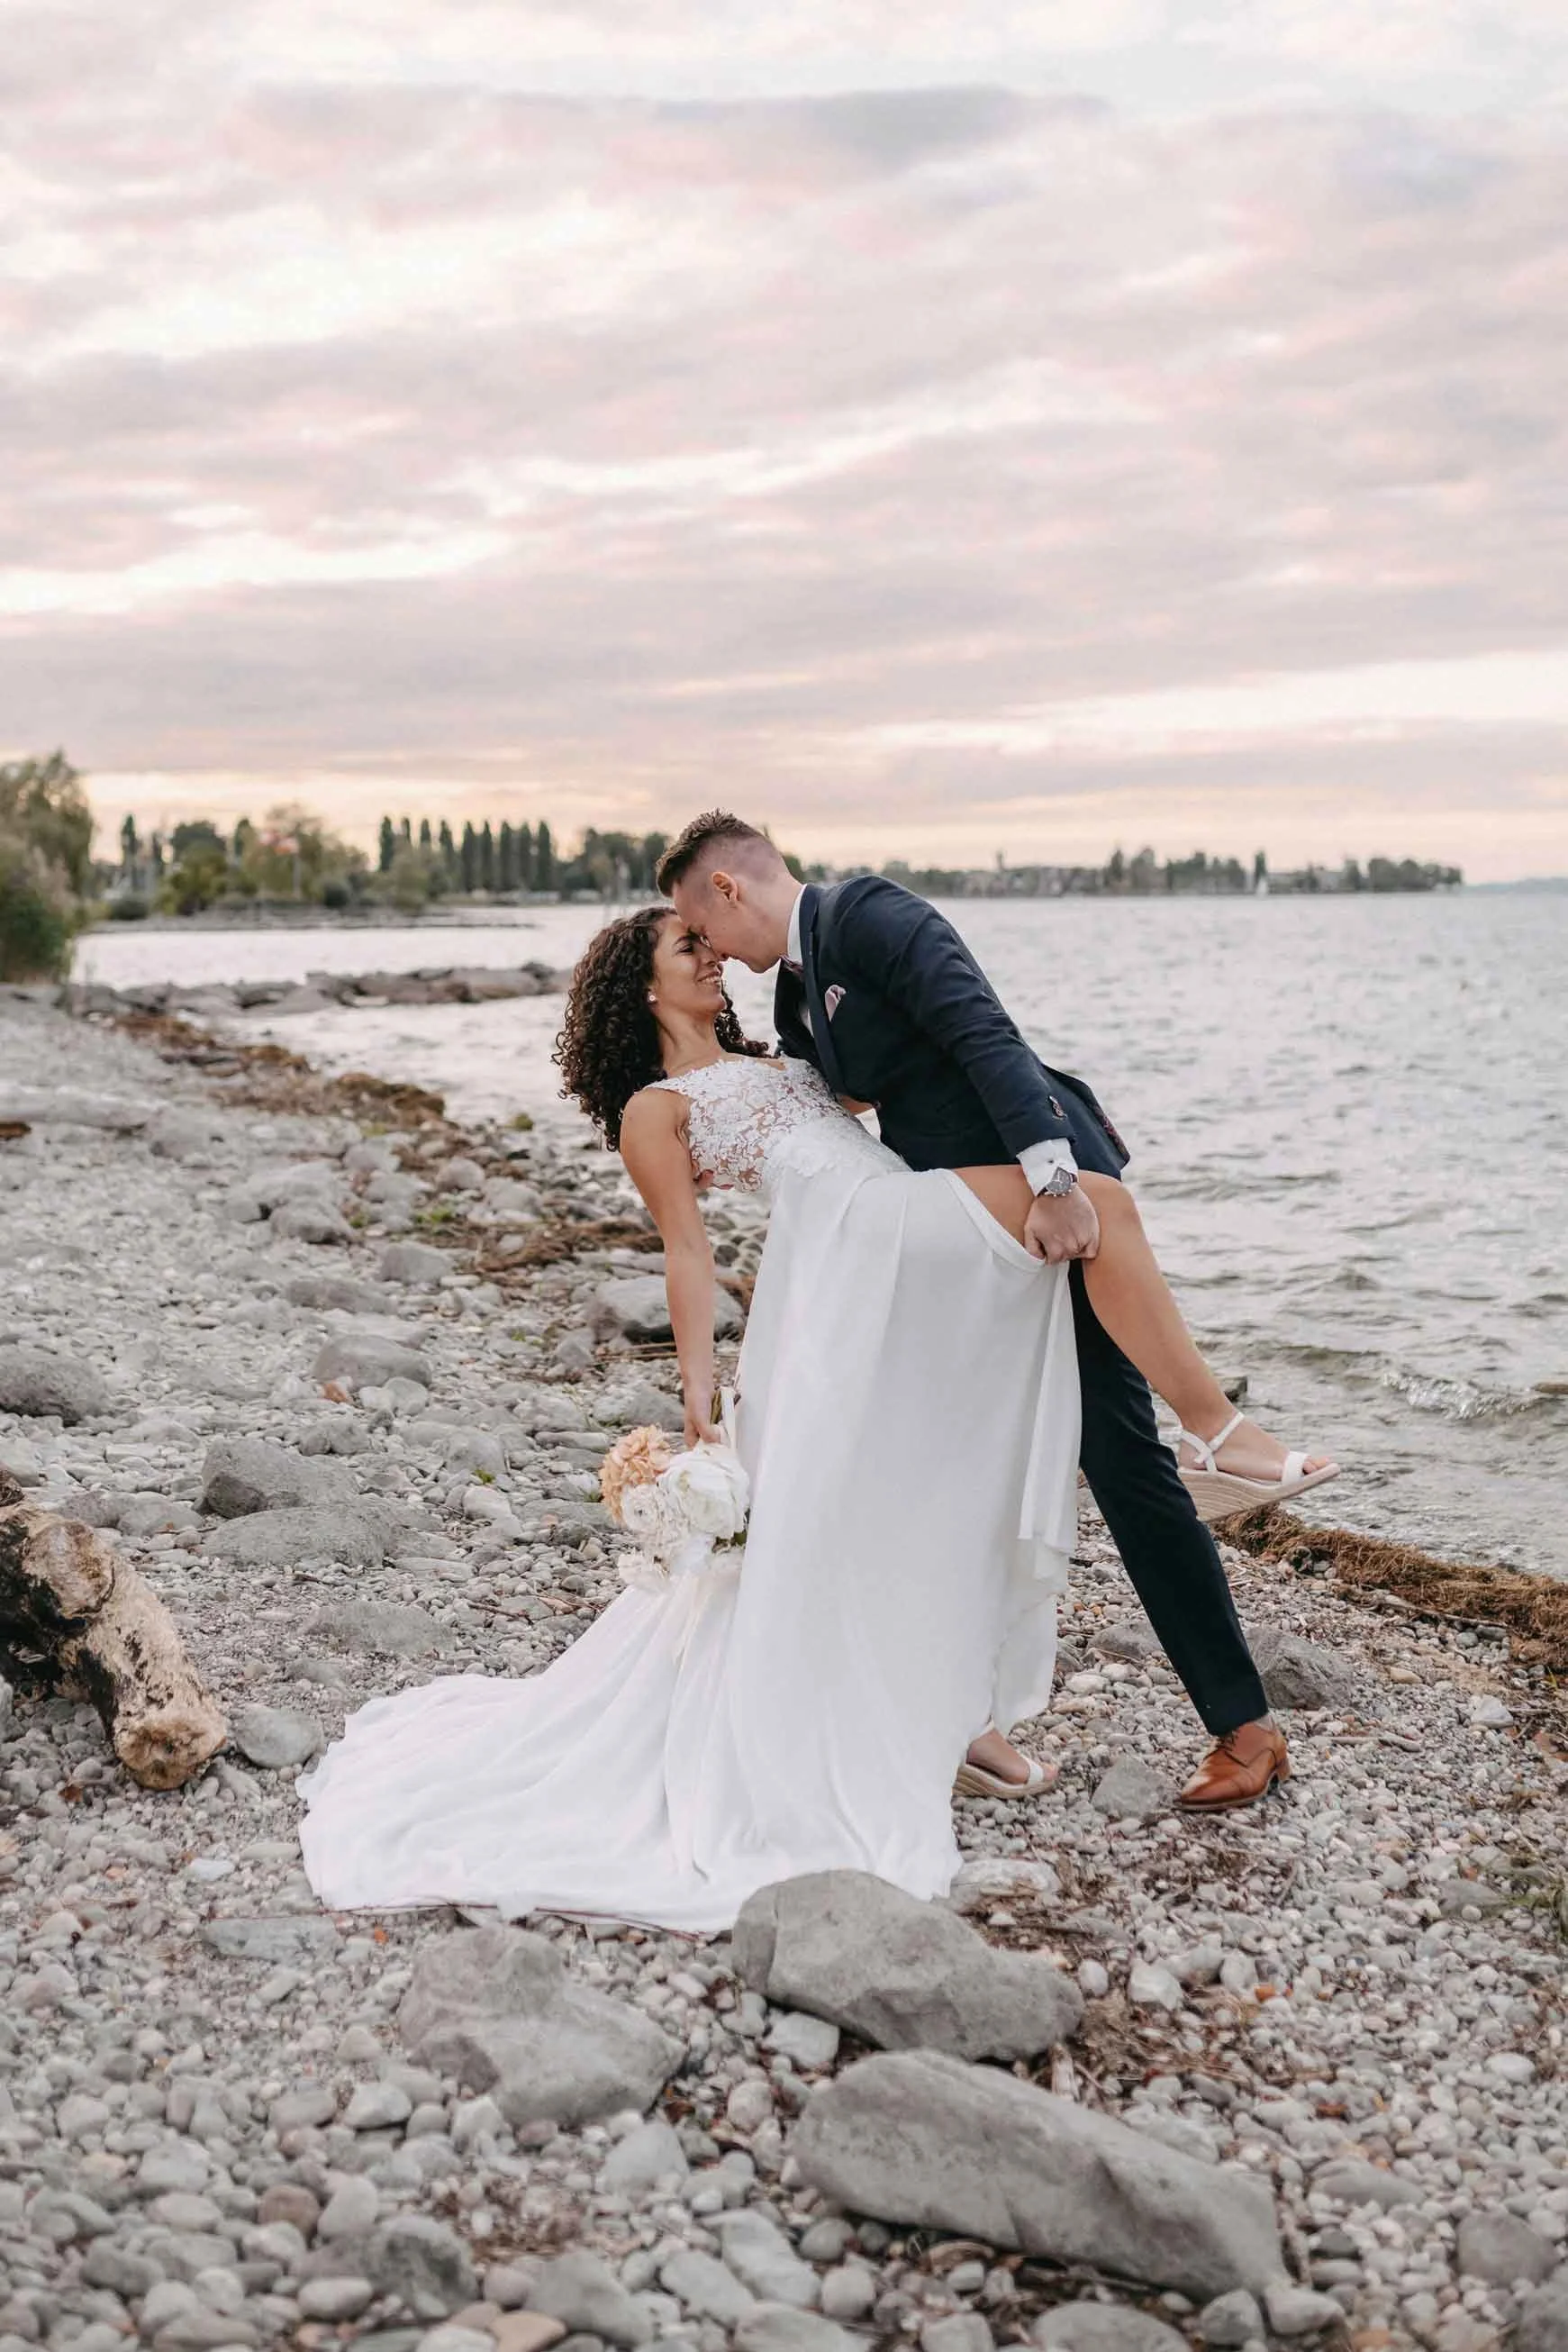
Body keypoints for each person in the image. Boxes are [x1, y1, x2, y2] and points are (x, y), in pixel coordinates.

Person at [296, 906, 1081, 1934]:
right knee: (834, 1517)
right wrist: (699, 1393)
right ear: (643, 986)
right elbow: (687, 1249)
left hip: (883, 1283)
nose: (713, 956)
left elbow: (882, 1111)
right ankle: (893, 1724)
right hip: (824, 1315)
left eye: (709, 942)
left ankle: (951, 1709)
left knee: (925, 1491)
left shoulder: (786, 1059)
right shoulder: (655, 1110)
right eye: (687, 947)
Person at [661, 810, 1337, 1812]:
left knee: (1119, 1458)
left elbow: (985, 1033)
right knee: (1063, 1459)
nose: (710, 947)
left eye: (699, 923)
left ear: (726, 888)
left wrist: (1056, 1181)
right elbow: (828, 1120)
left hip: (1046, 1199)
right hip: (978, 1235)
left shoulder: (870, 914)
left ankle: (1239, 1678)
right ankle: (967, 1709)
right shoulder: (803, 1000)